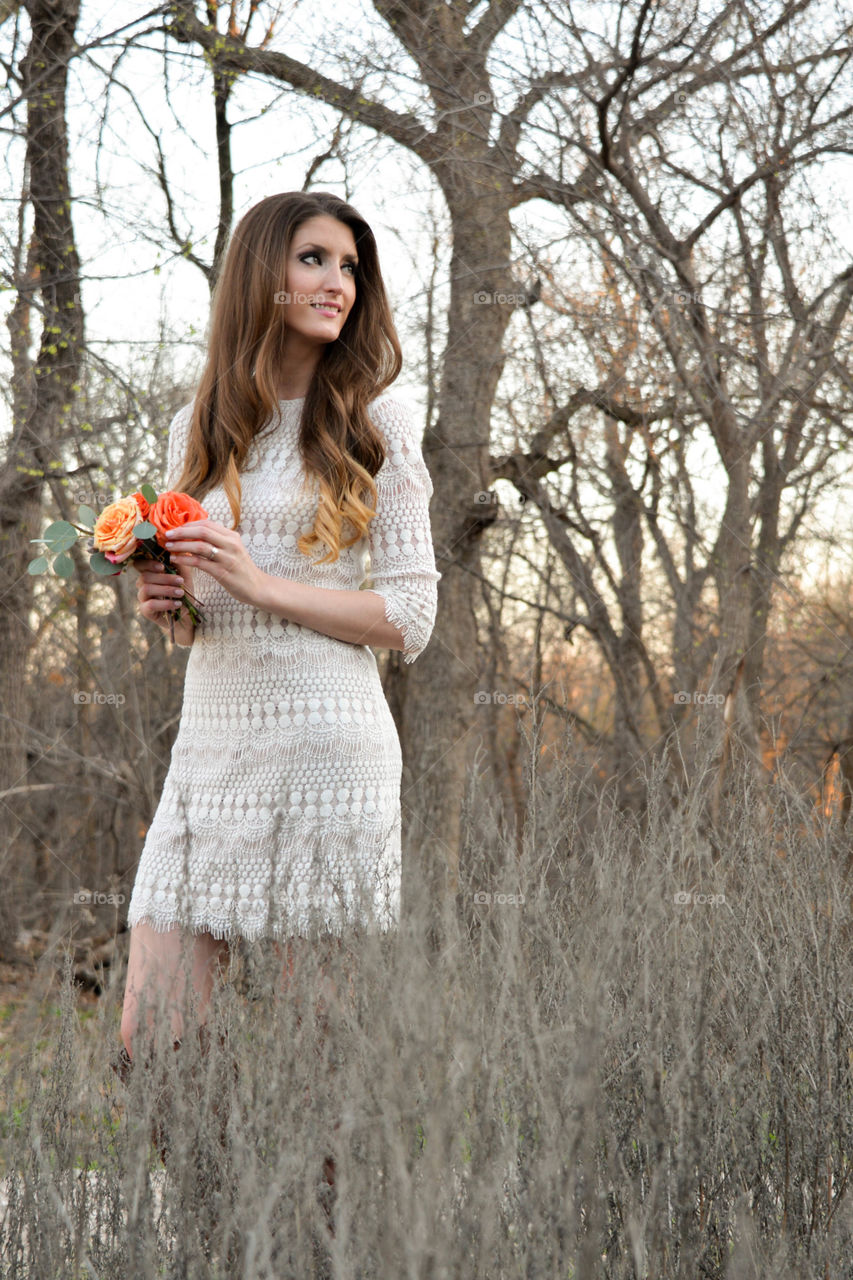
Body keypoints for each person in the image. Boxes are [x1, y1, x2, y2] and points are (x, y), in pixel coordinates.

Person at [114, 190, 441, 1228]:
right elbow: (199, 608)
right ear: (261, 272)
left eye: (349, 265)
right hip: (210, 751)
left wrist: (256, 584)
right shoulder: (197, 425)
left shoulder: (377, 418)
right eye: (313, 259)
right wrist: (169, 601)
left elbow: (411, 613)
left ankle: (325, 1242)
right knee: (152, 1028)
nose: (336, 282)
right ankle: (224, 1223)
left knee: (319, 1043)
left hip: (329, 747)